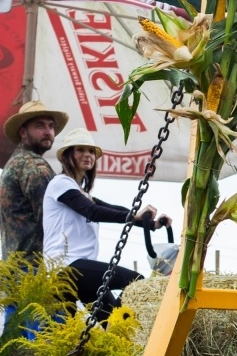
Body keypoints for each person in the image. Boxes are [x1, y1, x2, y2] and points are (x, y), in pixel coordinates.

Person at [42, 128, 172, 323]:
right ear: (68, 155)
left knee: (115, 321)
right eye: (80, 150)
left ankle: (120, 332)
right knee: (135, 281)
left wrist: (150, 223)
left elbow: (111, 209)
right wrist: (134, 215)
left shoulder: (82, 194)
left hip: (80, 270)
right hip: (66, 268)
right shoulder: (60, 183)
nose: (87, 155)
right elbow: (93, 212)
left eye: (91, 151)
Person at [0, 100, 69, 262]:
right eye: (40, 126)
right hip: (34, 266)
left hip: (13, 265)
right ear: (23, 133)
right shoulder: (34, 165)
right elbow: (54, 219)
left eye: (51, 126)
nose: (48, 131)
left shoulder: (15, 162)